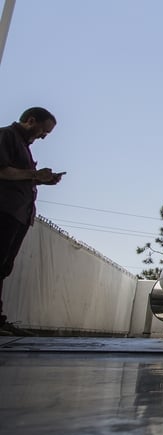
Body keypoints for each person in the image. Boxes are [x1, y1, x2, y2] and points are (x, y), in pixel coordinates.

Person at [0, 107, 63, 336]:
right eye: (43, 131)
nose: (43, 136)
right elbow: (3, 171)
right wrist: (35, 175)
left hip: (18, 213)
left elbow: (20, 176)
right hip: (5, 210)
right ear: (31, 121)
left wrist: (43, 180)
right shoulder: (6, 136)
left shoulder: (23, 147)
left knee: (4, 267)